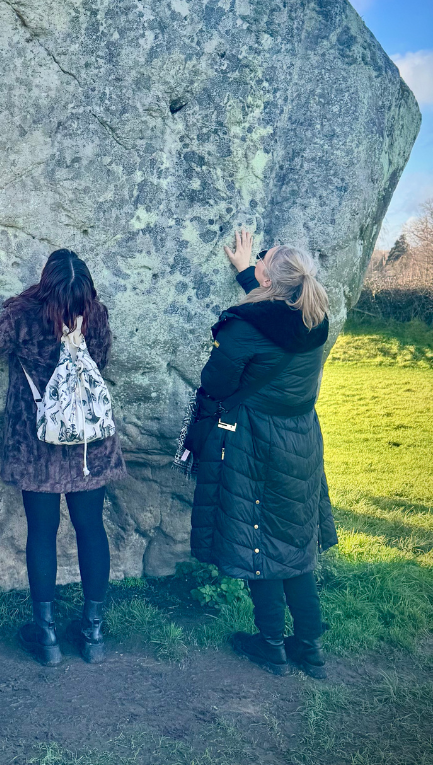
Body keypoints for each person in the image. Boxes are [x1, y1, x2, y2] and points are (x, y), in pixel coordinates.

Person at [0, 250, 125, 665]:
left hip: (37, 446)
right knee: (92, 529)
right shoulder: (95, 315)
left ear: (46, 280)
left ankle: (47, 636)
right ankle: (93, 634)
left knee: (41, 532)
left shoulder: (22, 316)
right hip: (88, 444)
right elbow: (102, 361)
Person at [191, 229, 336, 679]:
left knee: (259, 539)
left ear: (269, 281)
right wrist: (246, 274)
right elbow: (276, 324)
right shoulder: (314, 317)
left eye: (262, 258)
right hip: (301, 439)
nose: (256, 257)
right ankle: (310, 648)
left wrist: (247, 288)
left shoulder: (243, 329)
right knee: (293, 542)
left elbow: (216, 382)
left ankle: (271, 645)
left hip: (254, 441)